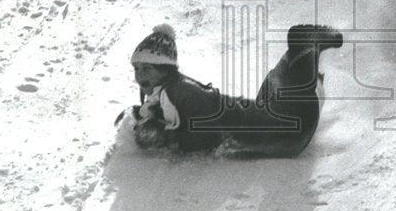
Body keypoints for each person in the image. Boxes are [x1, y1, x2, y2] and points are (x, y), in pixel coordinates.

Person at [117, 23, 344, 157]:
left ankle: (306, 42)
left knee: (297, 67)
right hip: (270, 115)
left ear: (165, 69)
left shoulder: (181, 91)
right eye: (136, 68)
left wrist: (166, 137)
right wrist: (142, 116)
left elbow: (207, 136)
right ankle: (303, 58)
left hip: (288, 130)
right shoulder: (166, 95)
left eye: (147, 68)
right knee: (280, 82)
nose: (140, 75)